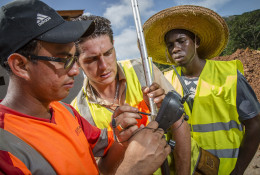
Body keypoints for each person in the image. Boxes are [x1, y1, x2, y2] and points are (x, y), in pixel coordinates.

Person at [0, 0, 171, 174]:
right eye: (63, 60)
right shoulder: (5, 148)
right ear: (21, 65)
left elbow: (105, 158)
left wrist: (122, 138)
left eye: (74, 59)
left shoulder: (67, 112)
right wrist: (134, 169)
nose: (75, 71)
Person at [143, 5, 260, 175]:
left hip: (224, 171)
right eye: (170, 45)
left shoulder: (229, 75)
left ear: (196, 42)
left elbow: (255, 123)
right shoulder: (164, 80)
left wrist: (239, 170)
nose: (175, 48)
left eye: (181, 41)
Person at [71, 15, 191, 174]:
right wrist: (120, 142)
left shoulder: (144, 70)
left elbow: (179, 123)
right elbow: (98, 170)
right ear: (77, 61)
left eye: (108, 53)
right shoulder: (76, 112)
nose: (104, 66)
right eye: (92, 60)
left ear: (114, 46)